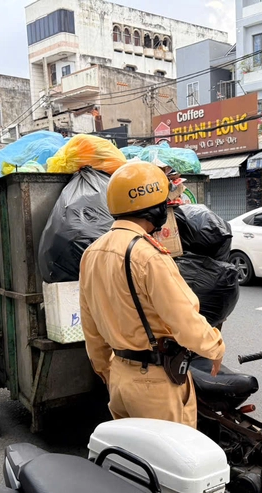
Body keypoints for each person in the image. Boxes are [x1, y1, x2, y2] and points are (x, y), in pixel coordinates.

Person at [79, 161, 225, 428]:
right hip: (155, 385)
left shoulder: (92, 253)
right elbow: (183, 319)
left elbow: (91, 328)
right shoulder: (148, 255)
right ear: (154, 208)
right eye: (164, 203)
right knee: (173, 453)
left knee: (130, 453)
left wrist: (107, 371)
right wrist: (215, 346)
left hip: (119, 378)